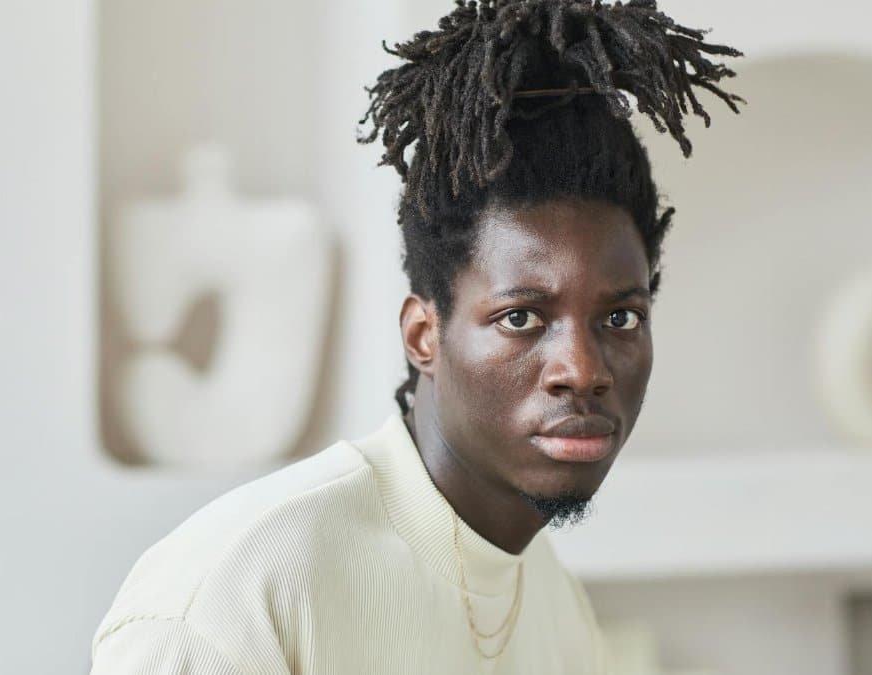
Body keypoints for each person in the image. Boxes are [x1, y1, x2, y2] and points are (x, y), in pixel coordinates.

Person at [90, 1, 744, 672]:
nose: (582, 369)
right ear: (423, 335)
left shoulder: (555, 604)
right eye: (521, 317)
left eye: (620, 318)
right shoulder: (233, 596)